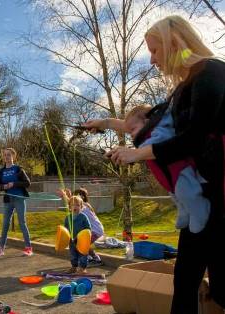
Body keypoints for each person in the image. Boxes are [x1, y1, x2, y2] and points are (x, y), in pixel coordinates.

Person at [84, 15, 225, 313]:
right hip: (204, 197)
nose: (151, 60)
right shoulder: (180, 91)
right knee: (185, 280)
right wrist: (106, 123)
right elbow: (144, 125)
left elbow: (194, 139)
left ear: (173, 42)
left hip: (220, 198)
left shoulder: (212, 72)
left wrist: (137, 154)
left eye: (155, 50)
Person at [125, 104, 211, 233]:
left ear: (147, 122)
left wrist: (137, 153)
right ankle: (184, 212)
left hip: (178, 170)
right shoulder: (144, 136)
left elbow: (160, 140)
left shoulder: (159, 129)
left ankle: (199, 209)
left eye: (133, 129)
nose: (131, 134)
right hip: (167, 175)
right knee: (175, 194)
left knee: (186, 193)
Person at [0, 148, 33, 257]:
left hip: (19, 198)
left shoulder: (18, 169)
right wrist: (4, 186)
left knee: (22, 223)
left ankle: (28, 248)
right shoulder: (1, 171)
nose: (6, 157)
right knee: (5, 223)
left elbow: (27, 183)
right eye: (5, 155)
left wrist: (14, 184)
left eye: (9, 155)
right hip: (8, 199)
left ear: (13, 157)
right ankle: (1, 248)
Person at [73, 188, 104, 263]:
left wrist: (65, 195)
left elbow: (72, 204)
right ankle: (90, 257)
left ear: (82, 197)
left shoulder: (84, 205)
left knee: (82, 244)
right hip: (95, 229)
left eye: (76, 196)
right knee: (82, 243)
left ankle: (96, 259)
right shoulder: (84, 205)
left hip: (96, 230)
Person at [64, 195, 91, 274]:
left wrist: (85, 236)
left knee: (83, 254)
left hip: (82, 240)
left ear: (81, 207)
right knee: (73, 254)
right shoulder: (68, 218)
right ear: (69, 207)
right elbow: (65, 229)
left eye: (77, 205)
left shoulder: (83, 217)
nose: (75, 207)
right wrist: (66, 237)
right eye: (72, 205)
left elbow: (88, 228)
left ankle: (82, 268)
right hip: (71, 240)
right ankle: (74, 267)